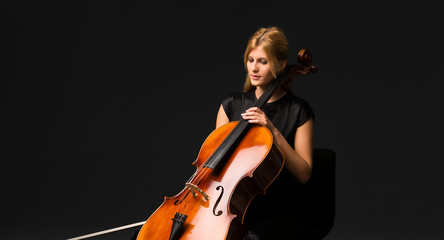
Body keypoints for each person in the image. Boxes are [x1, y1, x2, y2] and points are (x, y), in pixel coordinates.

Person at [216, 27, 315, 239]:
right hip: (229, 206)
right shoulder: (230, 105)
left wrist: (272, 129)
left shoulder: (298, 110)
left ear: (280, 65)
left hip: (275, 209)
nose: (254, 68)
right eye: (250, 60)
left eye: (263, 61)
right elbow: (215, 167)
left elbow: (304, 173)